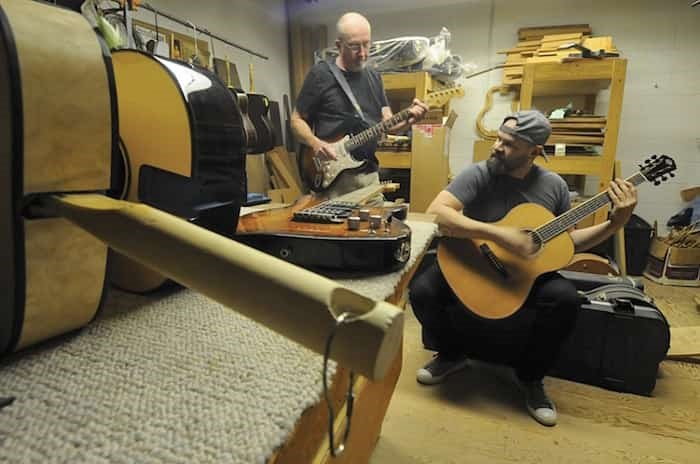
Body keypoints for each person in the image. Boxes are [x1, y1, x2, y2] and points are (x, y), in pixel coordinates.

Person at [409, 110, 638, 426]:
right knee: (422, 290)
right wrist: (498, 233)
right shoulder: (479, 173)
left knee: (565, 300)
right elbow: (438, 212)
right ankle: (451, 354)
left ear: (535, 151)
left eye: (509, 145)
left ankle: (531, 378)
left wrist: (616, 223)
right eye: (499, 139)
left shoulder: (554, 187)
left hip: (522, 272)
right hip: (473, 263)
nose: (497, 148)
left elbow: (568, 242)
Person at [290, 12, 428, 199]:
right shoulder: (321, 74)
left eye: (366, 44)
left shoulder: (374, 77)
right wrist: (315, 144)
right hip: (334, 180)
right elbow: (296, 120)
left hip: (368, 176)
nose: (363, 53)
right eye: (355, 46)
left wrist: (409, 119)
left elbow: (388, 124)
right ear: (339, 45)